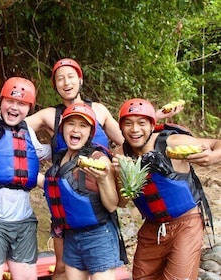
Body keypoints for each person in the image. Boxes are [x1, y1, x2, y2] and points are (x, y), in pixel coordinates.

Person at [25, 58, 183, 280]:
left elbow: (129, 140)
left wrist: (152, 120)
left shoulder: (99, 114)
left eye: (70, 77)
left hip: (97, 198)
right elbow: (13, 125)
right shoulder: (51, 117)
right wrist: (39, 155)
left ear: (80, 80)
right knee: (61, 267)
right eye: (60, 78)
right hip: (65, 199)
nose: (66, 82)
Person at [112, 98, 221, 279]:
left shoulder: (171, 142)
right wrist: (121, 174)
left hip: (186, 223)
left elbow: (217, 143)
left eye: (142, 123)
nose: (135, 129)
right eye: (128, 124)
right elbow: (122, 202)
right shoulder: (120, 155)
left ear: (152, 125)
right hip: (151, 227)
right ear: (121, 127)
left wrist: (213, 156)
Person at [0, 75, 50, 280]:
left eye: (22, 104)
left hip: (24, 221)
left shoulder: (28, 134)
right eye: (10, 101)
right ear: (1, 101)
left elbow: (38, 157)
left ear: (29, 108)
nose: (15, 107)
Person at [43, 103, 123, 280]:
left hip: (99, 235)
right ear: (63, 128)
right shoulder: (60, 158)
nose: (76, 130)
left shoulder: (99, 158)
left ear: (90, 132)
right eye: (71, 124)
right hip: (71, 237)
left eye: (83, 125)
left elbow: (111, 206)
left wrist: (103, 179)